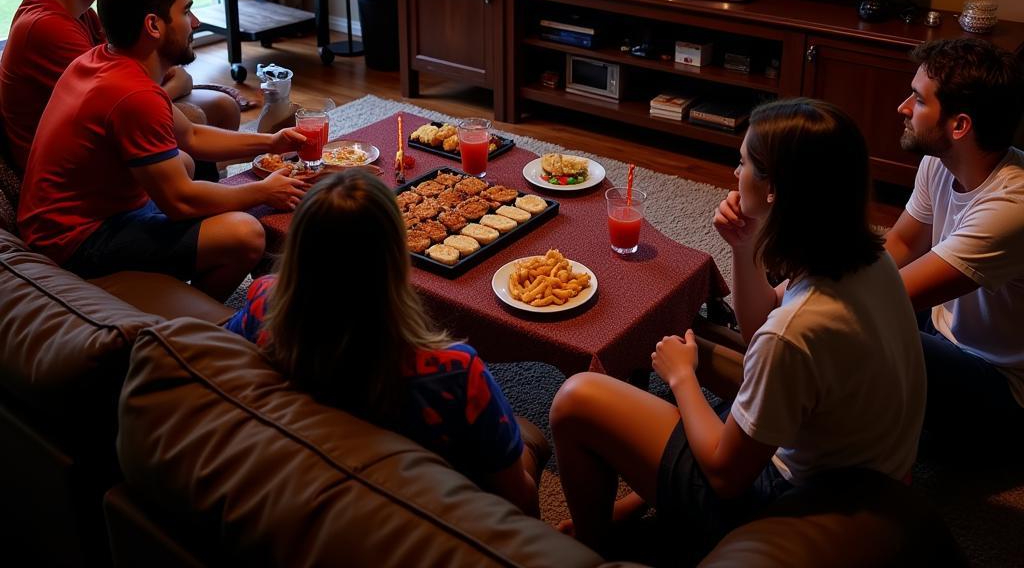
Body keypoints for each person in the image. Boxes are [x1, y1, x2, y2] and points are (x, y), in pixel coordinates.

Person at [550, 99, 924, 559]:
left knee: (577, 398)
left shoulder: (796, 330)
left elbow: (727, 478)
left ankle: (591, 545)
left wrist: (682, 378)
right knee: (702, 347)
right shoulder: (870, 258)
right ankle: (631, 503)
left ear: (775, 190)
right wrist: (744, 247)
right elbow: (760, 329)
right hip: (865, 471)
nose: (734, 172)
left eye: (744, 162)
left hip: (789, 500)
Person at [226, 170, 541, 514]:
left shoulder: (261, 301)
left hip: (296, 499)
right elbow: (518, 498)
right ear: (396, 258)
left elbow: (224, 367)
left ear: (298, 250)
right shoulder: (454, 371)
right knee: (528, 445)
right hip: (422, 519)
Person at [16, 0, 310, 299]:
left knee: (182, 162)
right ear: (153, 26)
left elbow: (193, 136)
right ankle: (190, 323)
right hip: (75, 244)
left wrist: (271, 142)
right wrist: (263, 191)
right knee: (246, 233)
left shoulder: (104, 61)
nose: (196, 22)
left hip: (75, 220)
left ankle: (175, 292)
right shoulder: (131, 94)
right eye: (186, 11)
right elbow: (180, 203)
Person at [0, 0, 239, 173]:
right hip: (60, 159)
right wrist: (167, 88)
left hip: (107, 114)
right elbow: (119, 95)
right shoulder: (48, 27)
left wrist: (167, 84)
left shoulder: (83, 12)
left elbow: (142, 69)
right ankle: (195, 198)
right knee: (190, 123)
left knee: (223, 106)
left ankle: (215, 184)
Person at [884, 38, 1024, 455]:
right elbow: (902, 243)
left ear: (959, 125)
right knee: (824, 282)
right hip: (946, 330)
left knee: (861, 331)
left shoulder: (1011, 207)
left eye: (918, 99)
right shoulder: (939, 161)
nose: (903, 108)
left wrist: (803, 291)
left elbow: (890, 297)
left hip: (1000, 389)